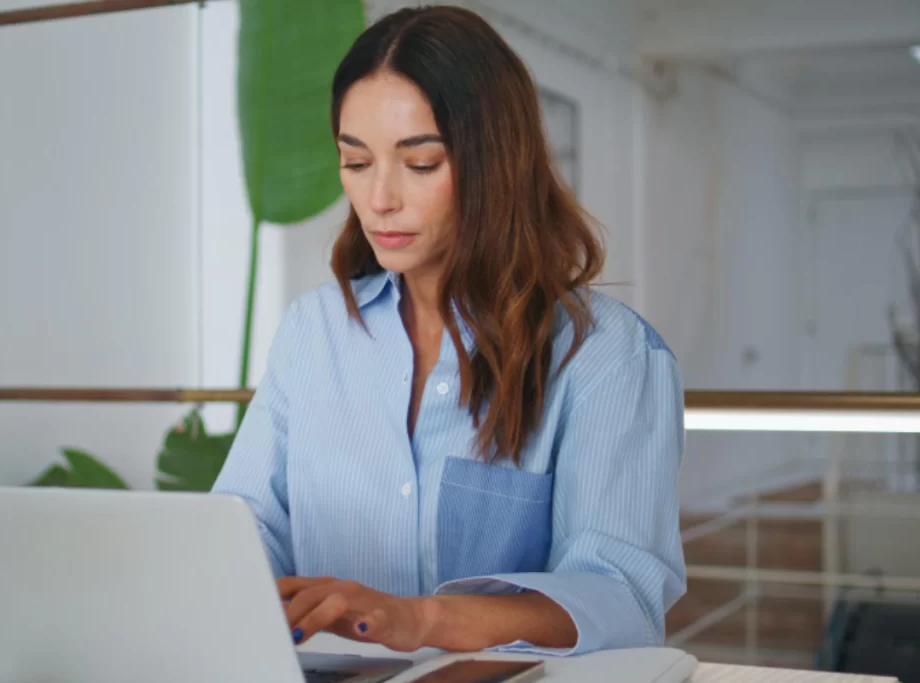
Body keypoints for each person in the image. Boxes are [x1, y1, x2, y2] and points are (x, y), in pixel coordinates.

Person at [212, 4, 685, 657]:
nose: (380, 199)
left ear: (496, 162)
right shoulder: (312, 332)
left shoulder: (605, 354)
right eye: (356, 162)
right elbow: (243, 529)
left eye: (422, 163)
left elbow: (620, 597)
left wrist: (419, 619)